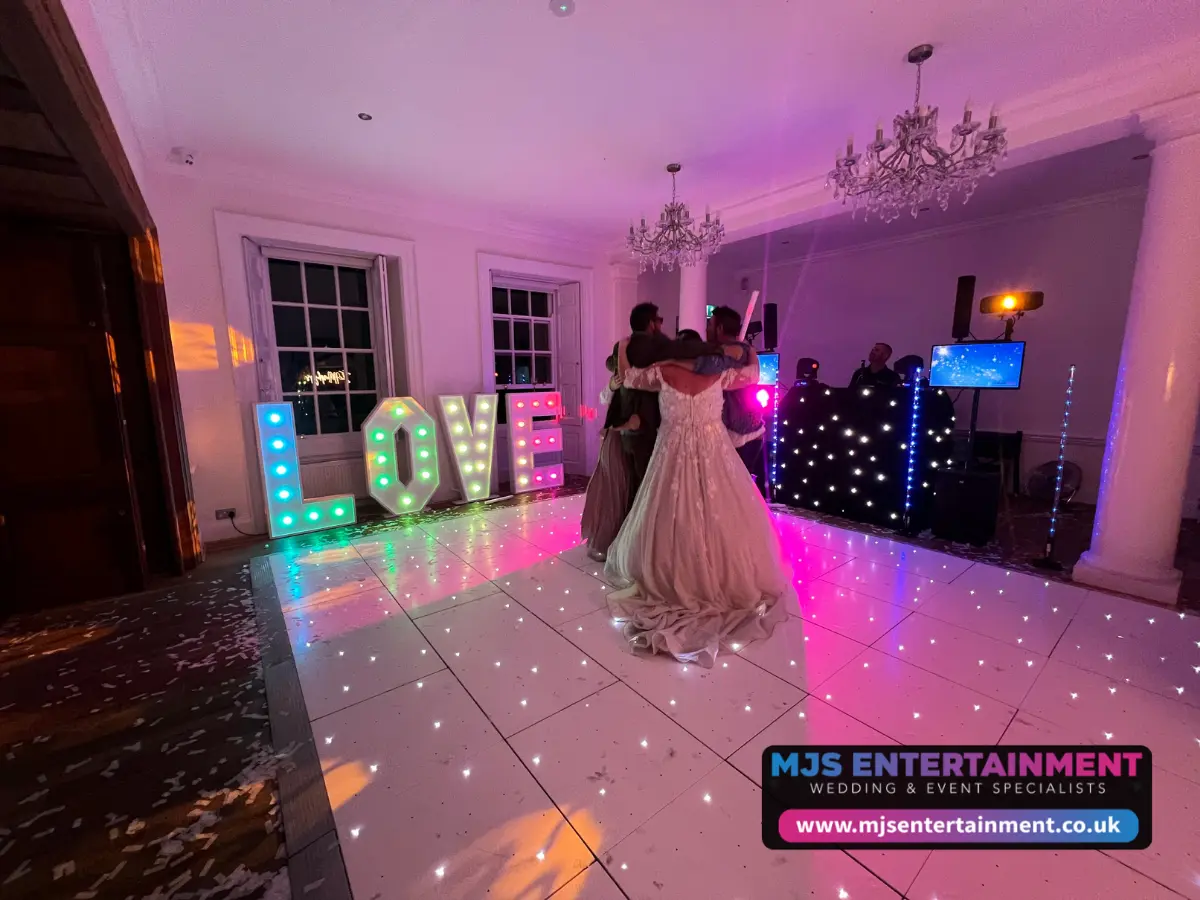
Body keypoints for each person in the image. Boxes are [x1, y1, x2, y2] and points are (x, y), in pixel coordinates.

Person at [604, 347, 791, 667]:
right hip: (711, 454)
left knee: (668, 515)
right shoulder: (717, 374)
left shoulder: (663, 372)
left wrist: (623, 347)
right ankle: (718, 576)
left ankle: (671, 576)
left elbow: (628, 377)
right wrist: (745, 348)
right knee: (718, 514)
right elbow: (757, 373)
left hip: (672, 455)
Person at [620, 303, 719, 506]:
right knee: (646, 490)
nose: (662, 325)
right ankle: (639, 532)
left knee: (640, 484)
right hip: (644, 424)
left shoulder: (631, 345)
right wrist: (715, 348)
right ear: (651, 324)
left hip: (635, 425)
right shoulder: (648, 346)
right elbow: (679, 348)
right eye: (660, 320)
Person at [580, 345, 639, 561]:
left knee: (630, 486)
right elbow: (605, 398)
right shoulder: (616, 381)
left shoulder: (640, 377)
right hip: (616, 438)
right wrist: (611, 387)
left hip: (634, 437)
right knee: (615, 486)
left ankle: (626, 541)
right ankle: (610, 540)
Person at [700, 306, 764, 489]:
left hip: (739, 433)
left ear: (719, 329)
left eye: (710, 324)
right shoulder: (745, 350)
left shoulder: (728, 352)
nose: (706, 329)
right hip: (748, 430)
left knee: (731, 490)